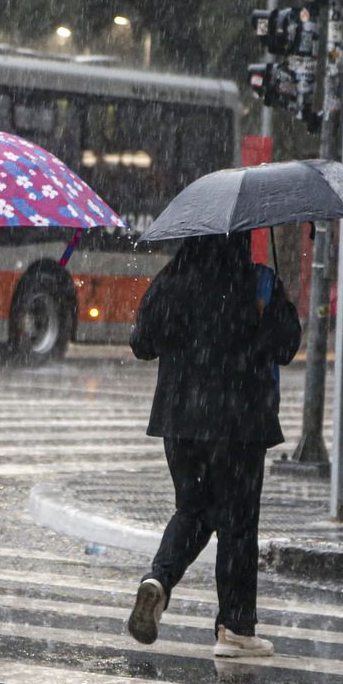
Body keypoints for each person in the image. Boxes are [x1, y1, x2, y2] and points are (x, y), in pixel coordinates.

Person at [125, 234, 300, 657]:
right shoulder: (257, 281)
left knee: (194, 509)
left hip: (180, 420)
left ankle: (159, 579)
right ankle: (236, 629)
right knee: (237, 523)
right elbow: (287, 347)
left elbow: (141, 344)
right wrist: (272, 305)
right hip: (239, 421)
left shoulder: (172, 280)